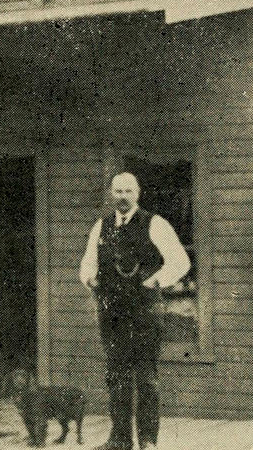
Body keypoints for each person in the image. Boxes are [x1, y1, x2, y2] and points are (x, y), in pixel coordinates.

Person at [79, 172, 191, 450]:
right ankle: (119, 439)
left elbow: (180, 261)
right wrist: (90, 278)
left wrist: (156, 280)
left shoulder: (155, 224)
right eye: (118, 192)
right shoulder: (101, 226)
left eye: (128, 191)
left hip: (144, 312)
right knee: (116, 376)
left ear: (138, 193)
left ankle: (148, 441)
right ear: (111, 194)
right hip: (112, 312)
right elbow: (88, 263)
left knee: (146, 378)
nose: (123, 197)